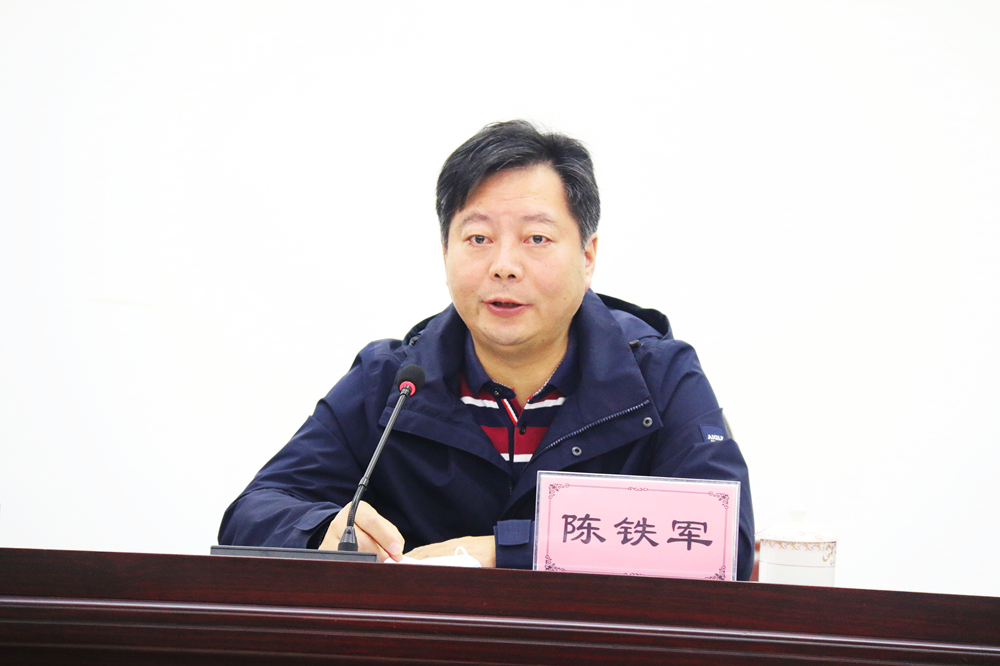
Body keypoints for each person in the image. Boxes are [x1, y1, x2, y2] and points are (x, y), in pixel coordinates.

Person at [218, 120, 755, 578]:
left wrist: (510, 550)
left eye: (536, 238)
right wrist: (321, 530)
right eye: (478, 239)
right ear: (445, 251)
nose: (504, 266)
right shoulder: (393, 381)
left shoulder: (656, 375)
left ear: (587, 256)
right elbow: (252, 513)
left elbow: (720, 537)